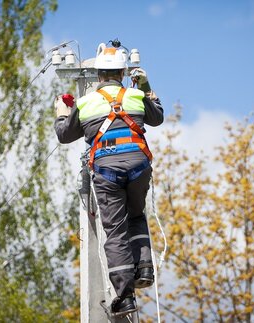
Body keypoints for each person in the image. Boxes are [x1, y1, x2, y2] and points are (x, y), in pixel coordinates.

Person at [53, 43, 164, 316]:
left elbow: (64, 135)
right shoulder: (136, 96)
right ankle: (145, 266)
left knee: (115, 230)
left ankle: (125, 296)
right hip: (139, 165)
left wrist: (61, 113)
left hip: (107, 171)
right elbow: (157, 116)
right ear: (124, 72)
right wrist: (146, 85)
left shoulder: (86, 102)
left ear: (99, 74)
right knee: (136, 215)